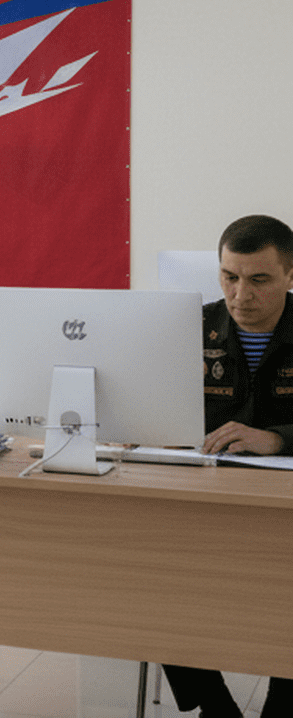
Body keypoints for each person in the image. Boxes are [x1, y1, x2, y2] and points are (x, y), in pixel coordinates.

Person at [162, 214, 293, 718]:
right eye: (229, 277)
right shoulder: (187, 329)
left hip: (284, 509)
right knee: (154, 575)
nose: (242, 294)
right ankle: (216, 708)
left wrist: (276, 438)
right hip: (203, 502)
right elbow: (155, 406)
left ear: (289, 275)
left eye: (259, 279)